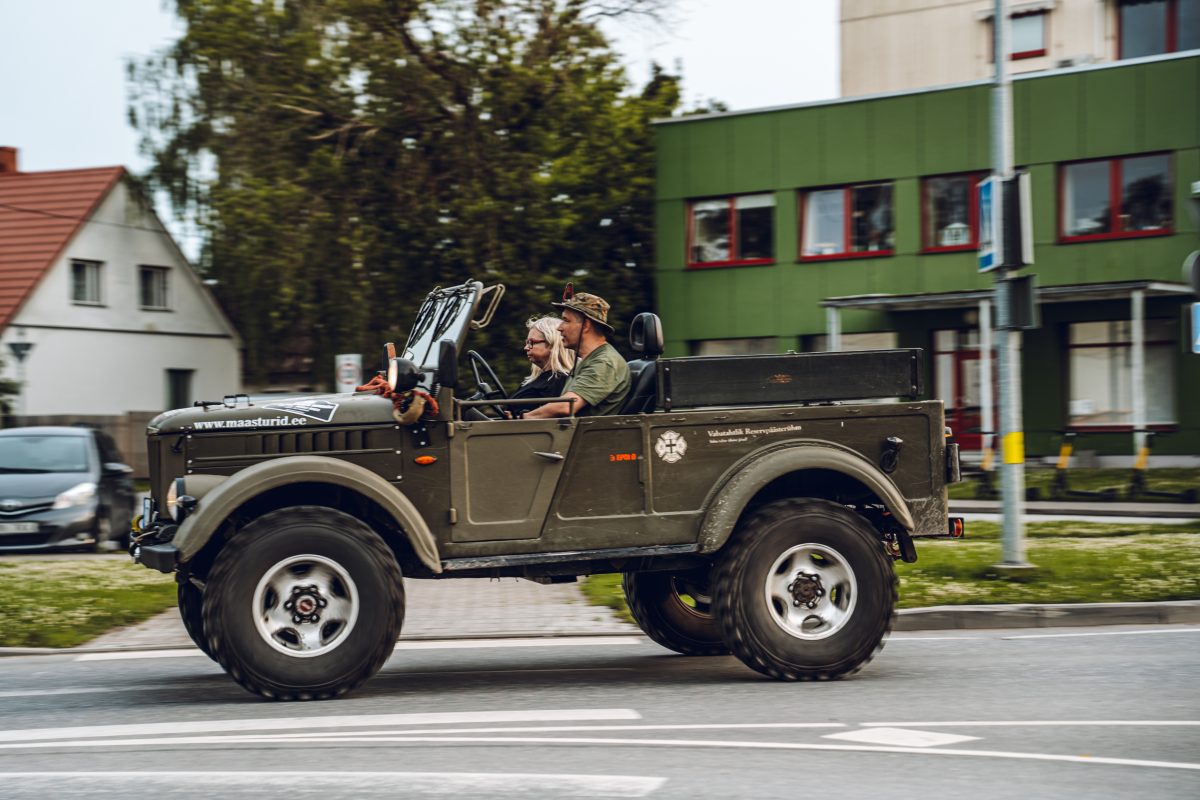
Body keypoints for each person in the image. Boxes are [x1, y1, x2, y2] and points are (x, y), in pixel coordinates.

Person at [523, 288, 630, 418]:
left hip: (586, 431)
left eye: (566, 320)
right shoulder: (588, 360)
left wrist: (525, 418)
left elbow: (566, 406)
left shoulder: (604, 363)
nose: (559, 327)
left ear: (586, 325)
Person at [505, 316, 576, 417]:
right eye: (527, 342)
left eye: (532, 342)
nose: (526, 347)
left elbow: (553, 419)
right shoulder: (532, 381)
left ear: (552, 344)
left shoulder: (560, 380)